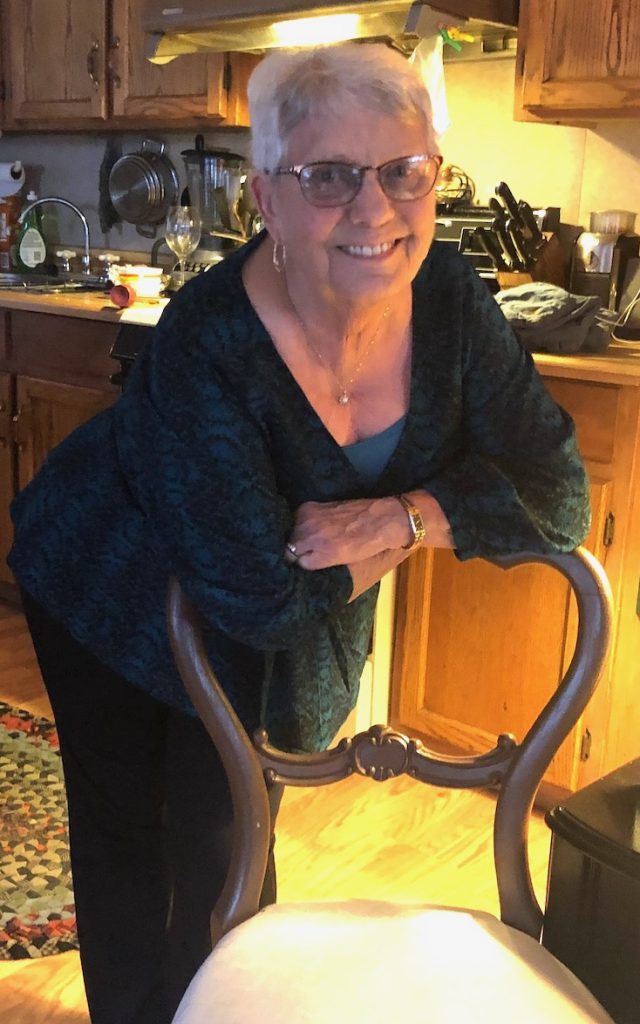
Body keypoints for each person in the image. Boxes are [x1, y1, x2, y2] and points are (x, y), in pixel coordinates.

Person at [7, 41, 590, 1024]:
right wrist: (449, 514)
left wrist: (402, 515)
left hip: (234, 599)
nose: (373, 209)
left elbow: (558, 489)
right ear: (266, 199)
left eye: (402, 171)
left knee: (227, 832)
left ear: (431, 180)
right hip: (99, 575)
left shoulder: (450, 302)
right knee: (129, 828)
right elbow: (254, 595)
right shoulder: (205, 333)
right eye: (328, 176)